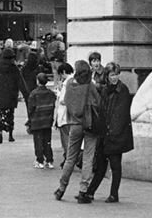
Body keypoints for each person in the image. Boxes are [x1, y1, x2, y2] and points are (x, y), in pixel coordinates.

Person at [83, 62, 134, 203]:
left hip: (115, 134)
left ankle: (113, 194)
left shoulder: (122, 90)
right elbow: (101, 110)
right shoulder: (105, 90)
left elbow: (120, 114)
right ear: (107, 76)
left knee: (115, 165)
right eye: (112, 74)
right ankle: (90, 192)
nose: (115, 77)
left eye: (116, 74)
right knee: (100, 166)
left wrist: (111, 132)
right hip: (105, 133)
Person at [54, 59, 101, 202]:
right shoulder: (90, 85)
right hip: (89, 125)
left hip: (74, 124)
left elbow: (66, 101)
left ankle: (61, 188)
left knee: (70, 158)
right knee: (88, 158)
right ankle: (83, 191)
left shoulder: (69, 83)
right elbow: (98, 102)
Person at [0, 45, 29, 144]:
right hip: (11, 94)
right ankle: (10, 134)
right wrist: (26, 94)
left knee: (2, 114)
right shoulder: (14, 68)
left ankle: (0, 130)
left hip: (1, 94)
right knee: (11, 114)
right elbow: (20, 82)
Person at [27, 71, 57, 169]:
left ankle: (40, 160)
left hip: (37, 121)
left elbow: (30, 109)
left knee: (38, 141)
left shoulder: (34, 94)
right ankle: (49, 159)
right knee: (47, 141)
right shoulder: (51, 94)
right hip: (47, 120)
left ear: (37, 81)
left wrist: (29, 120)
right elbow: (53, 106)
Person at [51, 62, 74, 167]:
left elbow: (63, 100)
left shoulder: (67, 83)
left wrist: (59, 91)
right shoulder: (74, 80)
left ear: (64, 72)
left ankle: (68, 159)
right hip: (71, 115)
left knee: (66, 139)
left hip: (65, 115)